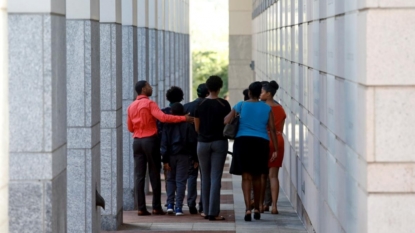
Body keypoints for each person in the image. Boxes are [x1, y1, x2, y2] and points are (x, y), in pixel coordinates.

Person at [127, 80, 193, 216]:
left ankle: (141, 208)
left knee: (139, 176)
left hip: (137, 142)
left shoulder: (131, 106)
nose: (151, 88)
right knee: (154, 172)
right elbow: (162, 118)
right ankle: (156, 207)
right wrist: (183, 119)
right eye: (149, 86)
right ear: (144, 89)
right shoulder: (150, 104)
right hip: (150, 140)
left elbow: (130, 128)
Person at [225, 81, 278, 222]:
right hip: (261, 143)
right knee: (258, 176)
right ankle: (257, 207)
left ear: (249, 93)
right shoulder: (267, 108)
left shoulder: (240, 105)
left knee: (246, 177)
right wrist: (276, 149)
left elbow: (226, 121)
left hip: (243, 142)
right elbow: (272, 129)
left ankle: (248, 208)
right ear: (259, 93)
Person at [195, 76, 231, 221]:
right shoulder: (224, 104)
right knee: (216, 177)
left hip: (202, 143)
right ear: (220, 87)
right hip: (219, 142)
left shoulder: (200, 105)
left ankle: (204, 210)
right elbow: (228, 123)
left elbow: (196, 127)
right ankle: (213, 212)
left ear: (207, 88)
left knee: (205, 176)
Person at [161, 103, 197, 216]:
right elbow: (192, 142)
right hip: (184, 156)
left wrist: (165, 160)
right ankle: (178, 207)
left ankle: (170, 205)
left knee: (170, 180)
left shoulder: (167, 125)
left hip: (170, 155)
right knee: (181, 181)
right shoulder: (187, 125)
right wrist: (195, 158)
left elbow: (164, 143)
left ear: (171, 112)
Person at [260, 81, 286, 214]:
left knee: (263, 175)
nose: (260, 94)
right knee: (274, 176)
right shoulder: (280, 108)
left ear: (268, 94)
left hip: (264, 140)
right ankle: (275, 206)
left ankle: (263, 204)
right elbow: (281, 128)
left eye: (262, 92)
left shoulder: (262, 108)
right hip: (278, 140)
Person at [183, 83, 209, 214]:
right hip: (205, 143)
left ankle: (191, 203)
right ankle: (203, 204)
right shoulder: (210, 106)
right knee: (205, 176)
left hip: (189, 145)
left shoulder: (187, 107)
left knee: (191, 175)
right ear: (207, 93)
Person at [157, 86, 184, 205]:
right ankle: (179, 202)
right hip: (182, 150)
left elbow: (159, 131)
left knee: (169, 175)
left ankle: (169, 201)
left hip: (166, 149)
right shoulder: (184, 113)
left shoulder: (162, 112)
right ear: (181, 98)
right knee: (181, 177)